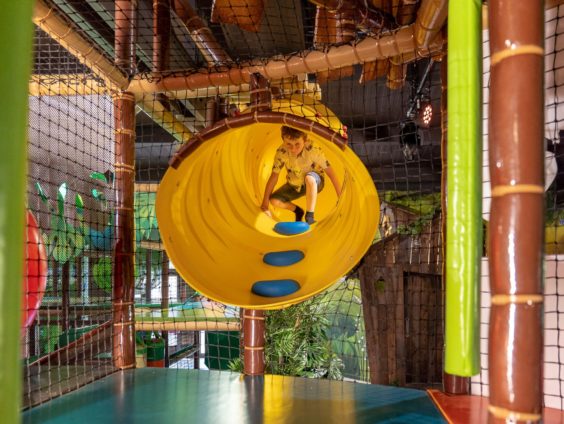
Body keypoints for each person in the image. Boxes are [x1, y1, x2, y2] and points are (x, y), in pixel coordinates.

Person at [261, 125, 341, 224]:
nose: (293, 149)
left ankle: (309, 217)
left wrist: (340, 197)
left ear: (305, 140)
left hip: (316, 181)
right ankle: (298, 211)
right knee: (274, 200)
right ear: (283, 141)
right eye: (288, 144)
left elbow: (331, 173)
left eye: (297, 144)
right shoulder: (282, 152)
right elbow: (274, 176)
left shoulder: (312, 149)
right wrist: (265, 204)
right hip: (294, 184)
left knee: (309, 178)